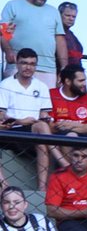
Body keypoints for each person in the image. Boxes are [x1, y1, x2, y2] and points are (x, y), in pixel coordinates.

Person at [0, 49, 57, 191]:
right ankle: (4, 186)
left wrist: (45, 119)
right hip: (11, 130)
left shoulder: (41, 86)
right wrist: (21, 121)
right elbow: (1, 115)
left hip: (33, 130)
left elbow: (44, 113)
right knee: (42, 130)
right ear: (17, 64)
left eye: (32, 64)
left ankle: (42, 188)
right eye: (24, 63)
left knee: (43, 128)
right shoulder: (6, 85)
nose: (28, 67)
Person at [1, 0, 66, 85]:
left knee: (44, 101)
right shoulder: (13, 5)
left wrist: (64, 66)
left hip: (47, 69)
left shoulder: (53, 11)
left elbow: (60, 39)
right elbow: (3, 31)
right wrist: (8, 51)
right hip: (19, 65)